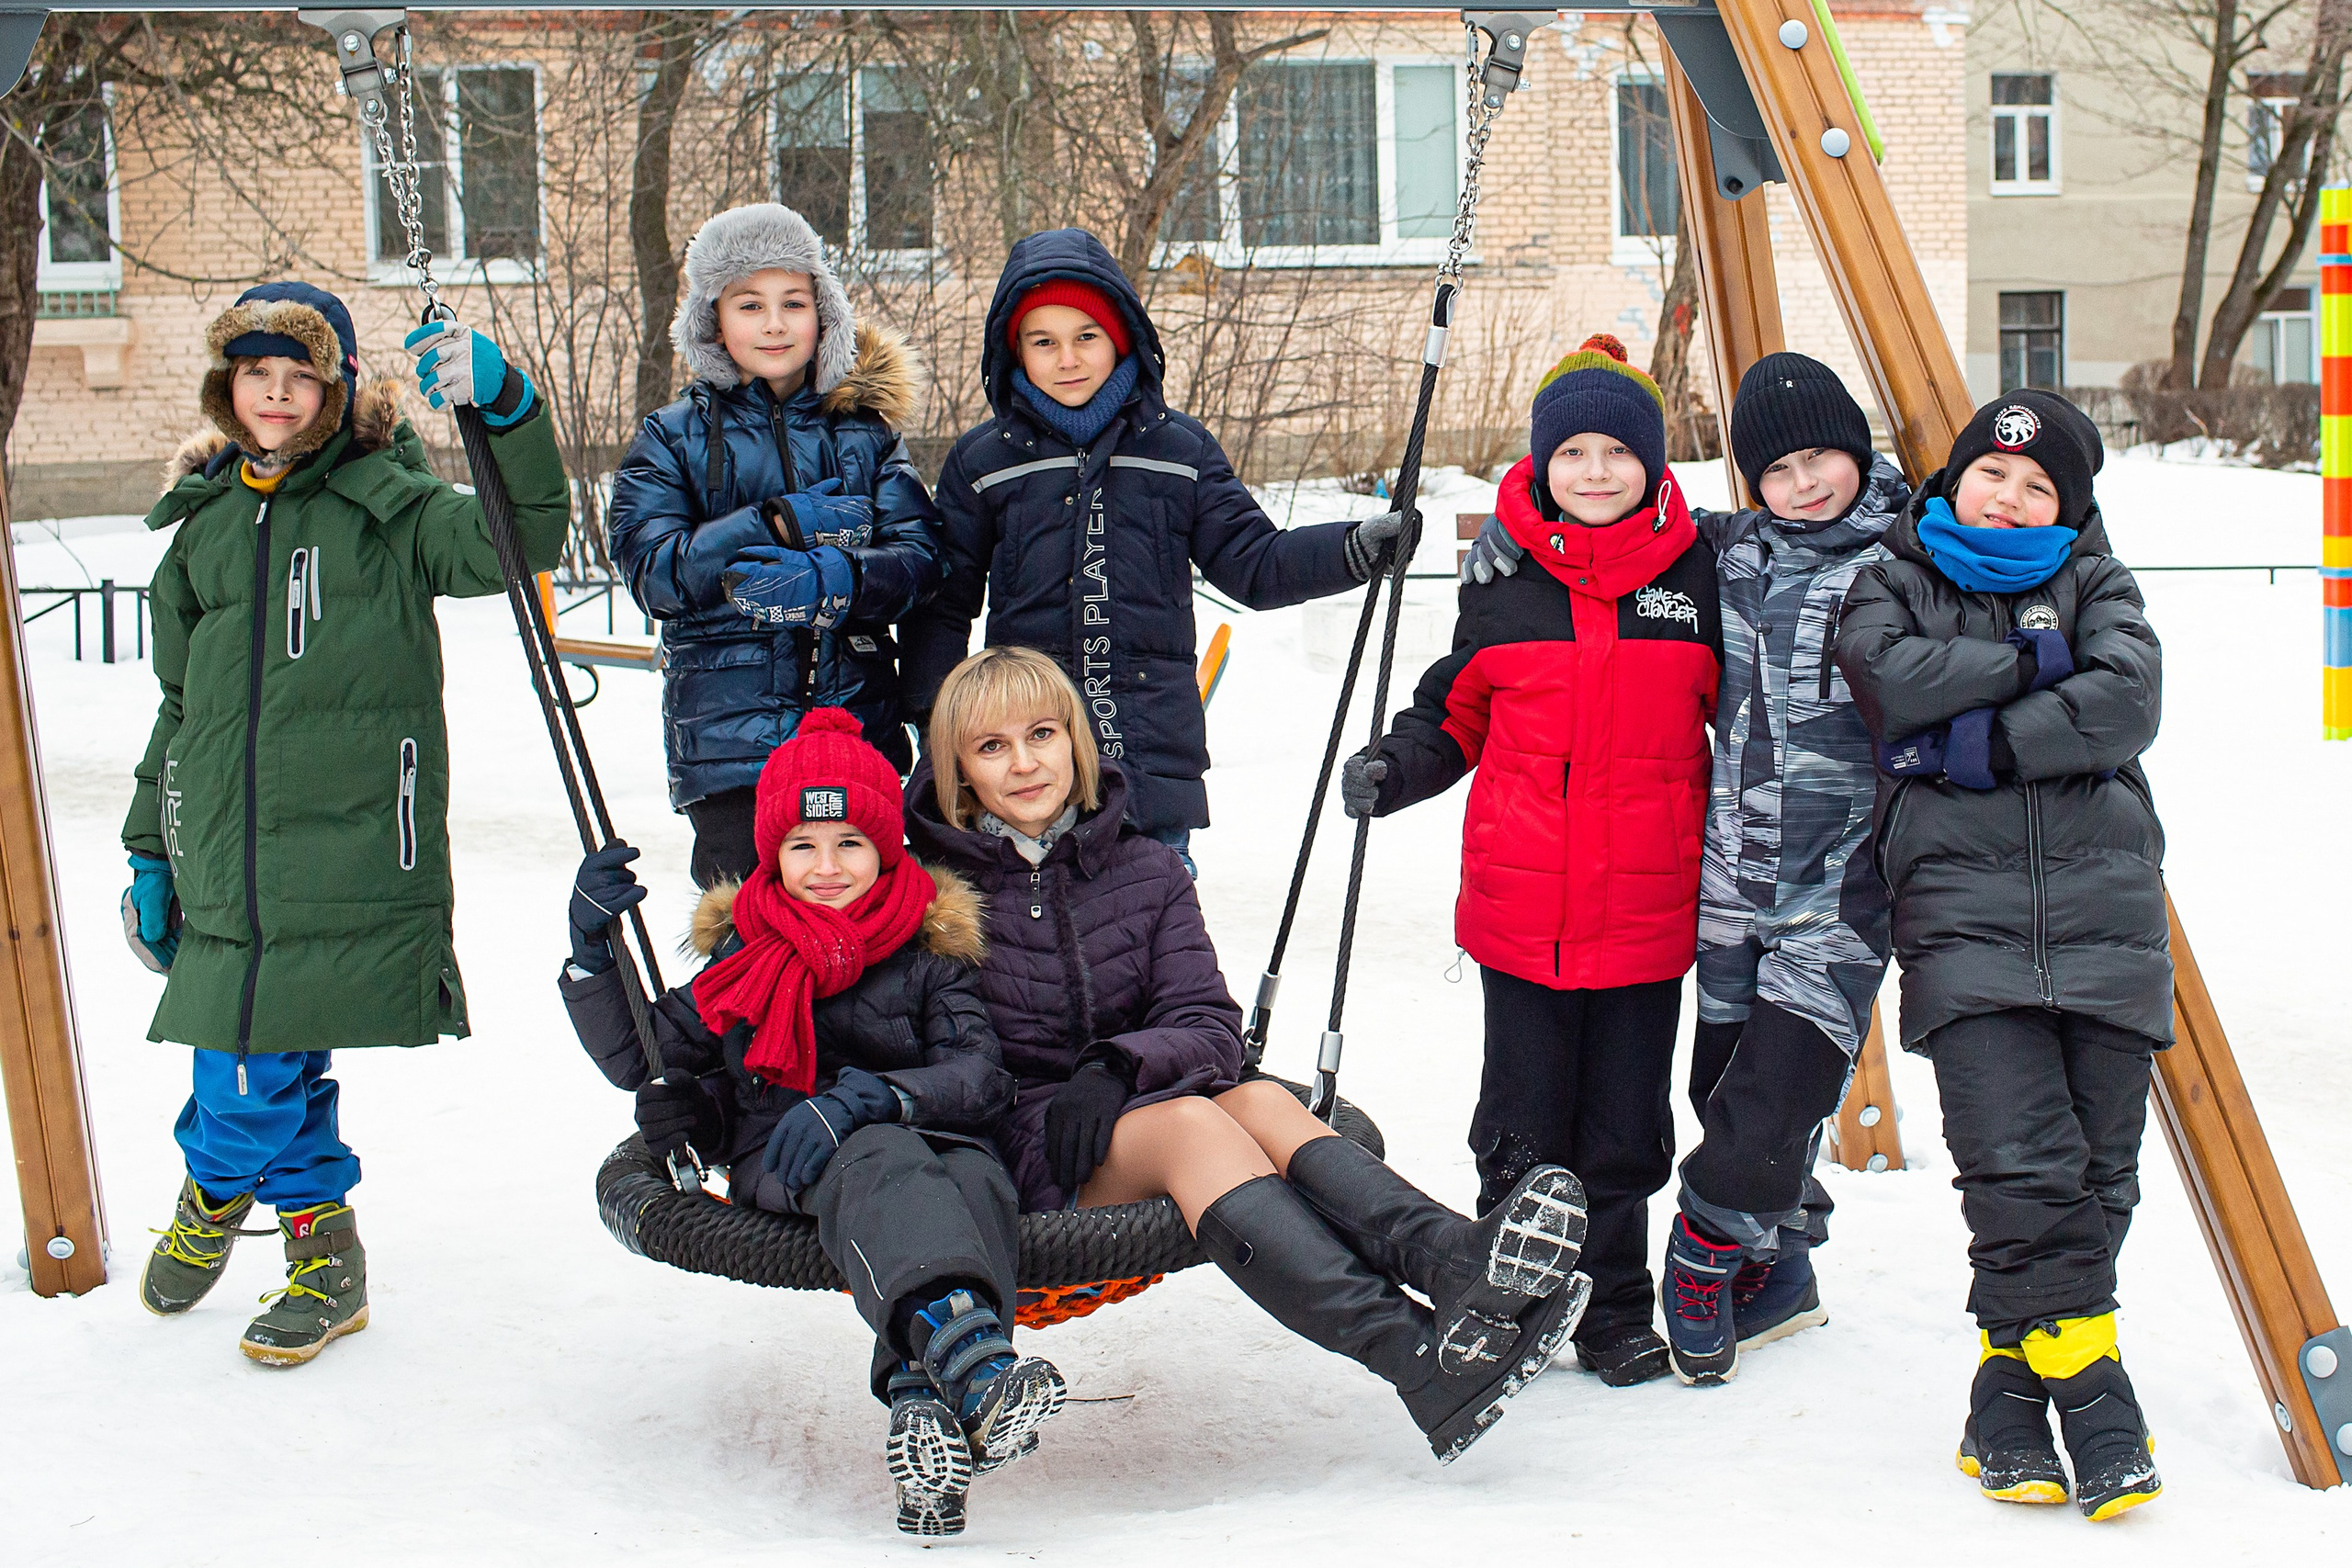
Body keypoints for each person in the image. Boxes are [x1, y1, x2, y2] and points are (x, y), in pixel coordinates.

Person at [905, 647, 1590, 1464]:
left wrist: (1119, 1063)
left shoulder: (1146, 869)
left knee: (1262, 1100)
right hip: (1033, 1146)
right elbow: (941, 1060)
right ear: (959, 769)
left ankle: (1451, 1262)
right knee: (1198, 1120)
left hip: (1131, 1097)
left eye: (1042, 733)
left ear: (1075, 741)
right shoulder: (931, 896)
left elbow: (1206, 1023)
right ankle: (1413, 1357)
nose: (1024, 763)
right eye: (992, 747)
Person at [121, 281, 566, 1364]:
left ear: (337, 389)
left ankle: (220, 1189)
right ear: (226, 388)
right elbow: (178, 707)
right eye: (255, 375)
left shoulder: (390, 508)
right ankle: (326, 1250)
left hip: (355, 837)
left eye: (299, 376)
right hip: (228, 854)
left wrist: (506, 409)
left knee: (243, 1058)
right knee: (268, 1053)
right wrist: (147, 846)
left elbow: (523, 540)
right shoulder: (205, 526)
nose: (276, 396)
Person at [561, 709, 1054, 1538]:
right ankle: (974, 1365)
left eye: (849, 844)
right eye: (802, 847)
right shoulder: (743, 955)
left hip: (926, 1142)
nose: (826, 868)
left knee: (976, 1181)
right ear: (771, 854)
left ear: (886, 848)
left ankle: (926, 1421)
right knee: (877, 1156)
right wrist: (589, 952)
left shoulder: (930, 948)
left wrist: (878, 1094)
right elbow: (636, 1052)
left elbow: (979, 1075)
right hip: (783, 1158)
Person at [1342, 334, 1722, 1390]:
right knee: (1520, 1115)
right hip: (1522, 913)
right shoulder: (1502, 585)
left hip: (1648, 914)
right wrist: (1397, 765)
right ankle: (1505, 1289)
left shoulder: (1700, 577)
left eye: (1617, 452)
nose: (1594, 472)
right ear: (1540, 465)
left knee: (1623, 1121)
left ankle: (1610, 1302)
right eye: (1572, 453)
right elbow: (1453, 713)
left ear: (1652, 464)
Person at [1837, 389, 2167, 1522]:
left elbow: (2124, 699)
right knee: (2018, 1164)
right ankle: (2098, 1400)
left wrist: (1971, 740)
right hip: (1961, 919)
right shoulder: (1893, 578)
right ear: (1954, 477)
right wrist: (2038, 663)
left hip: (2108, 914)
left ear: (2066, 511)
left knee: (2098, 1175)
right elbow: (1888, 683)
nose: (2010, 499)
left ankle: (2005, 1396)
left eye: (2038, 490)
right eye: (1992, 475)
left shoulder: (2097, 582)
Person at [899, 228, 1405, 871]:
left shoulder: (1178, 451)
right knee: (1022, 961)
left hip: (1147, 776)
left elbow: (1254, 561)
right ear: (1015, 351)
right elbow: (943, 606)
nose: (1068, 359)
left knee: (1148, 954)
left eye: (1086, 336)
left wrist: (1352, 550)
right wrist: (936, 721)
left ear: (1121, 336)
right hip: (1020, 780)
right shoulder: (986, 461)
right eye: (1043, 342)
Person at [609, 202, 944, 888]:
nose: (773, 323)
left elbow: (922, 559)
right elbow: (654, 571)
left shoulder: (864, 432)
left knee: (869, 943)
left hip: (853, 734)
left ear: (823, 313)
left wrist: (840, 578)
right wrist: (772, 524)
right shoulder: (673, 437)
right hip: (733, 747)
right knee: (748, 950)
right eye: (749, 304)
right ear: (714, 319)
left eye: (793, 301)